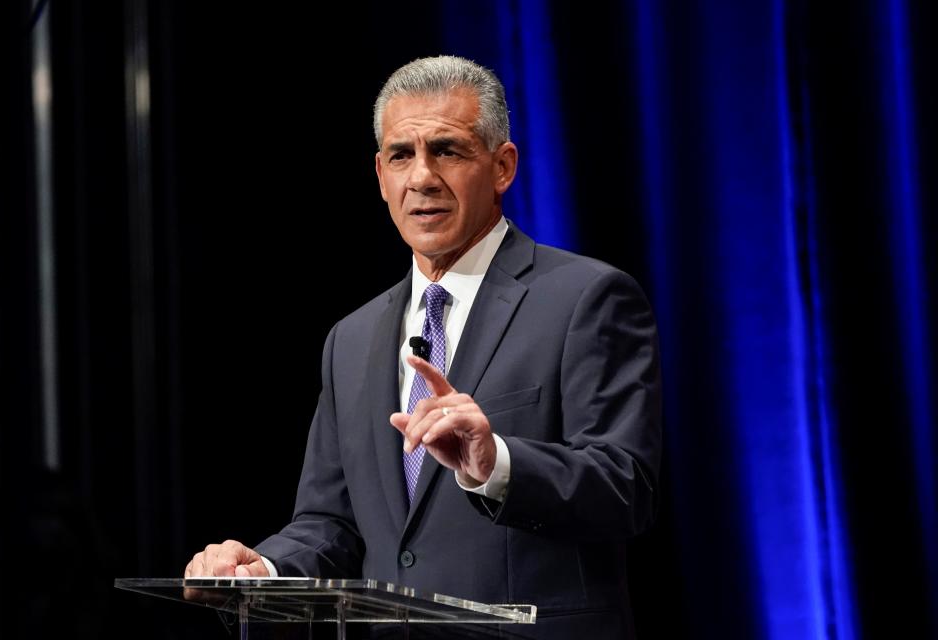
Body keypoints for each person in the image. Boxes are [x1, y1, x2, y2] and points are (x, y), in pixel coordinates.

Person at [185, 55, 661, 639]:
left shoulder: (585, 299)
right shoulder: (351, 339)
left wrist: (496, 463)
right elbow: (331, 521)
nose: (422, 177)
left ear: (503, 166)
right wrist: (265, 566)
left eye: (449, 150)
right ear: (380, 175)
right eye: (401, 156)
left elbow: (624, 488)